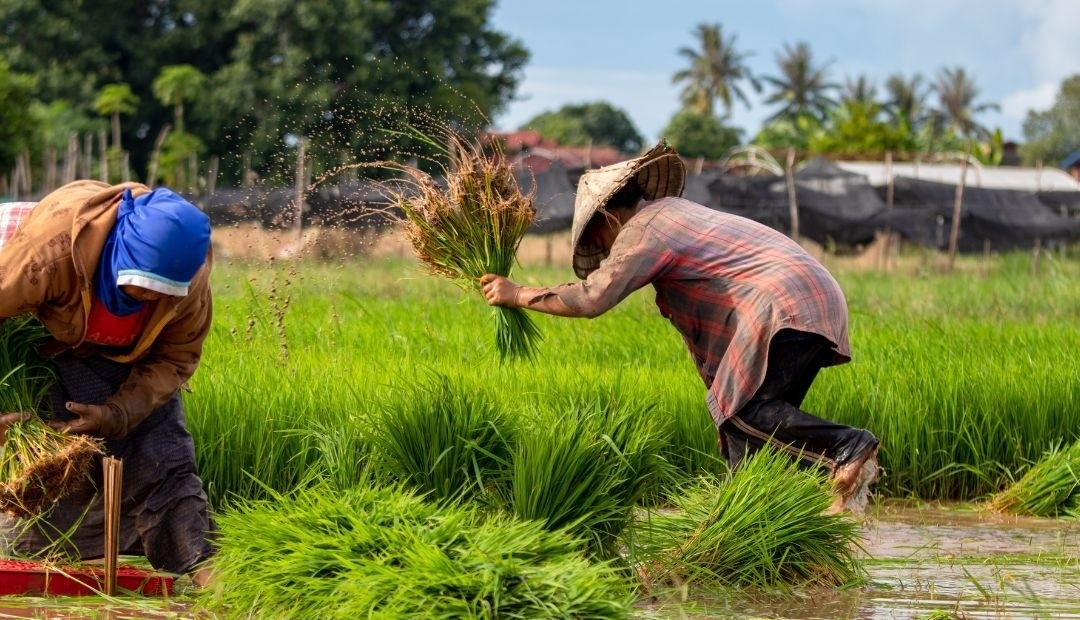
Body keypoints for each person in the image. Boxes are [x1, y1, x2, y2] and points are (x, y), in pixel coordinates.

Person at [480, 143, 880, 513]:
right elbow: (713, 343)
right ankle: (755, 528)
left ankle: (847, 445)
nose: (605, 251)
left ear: (606, 216)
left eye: (599, 239)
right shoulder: (676, 216)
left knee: (745, 412)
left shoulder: (645, 230)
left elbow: (591, 298)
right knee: (751, 442)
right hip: (810, 297)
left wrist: (517, 294)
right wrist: (723, 412)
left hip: (783, 302)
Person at [0, 180, 216, 585]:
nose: (142, 297)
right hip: (35, 333)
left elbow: (175, 358)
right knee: (44, 480)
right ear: (118, 251)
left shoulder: (189, 286)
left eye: (158, 292)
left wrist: (115, 413)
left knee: (163, 458)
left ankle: (204, 570)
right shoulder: (48, 254)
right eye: (135, 283)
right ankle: (45, 567)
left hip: (125, 359)